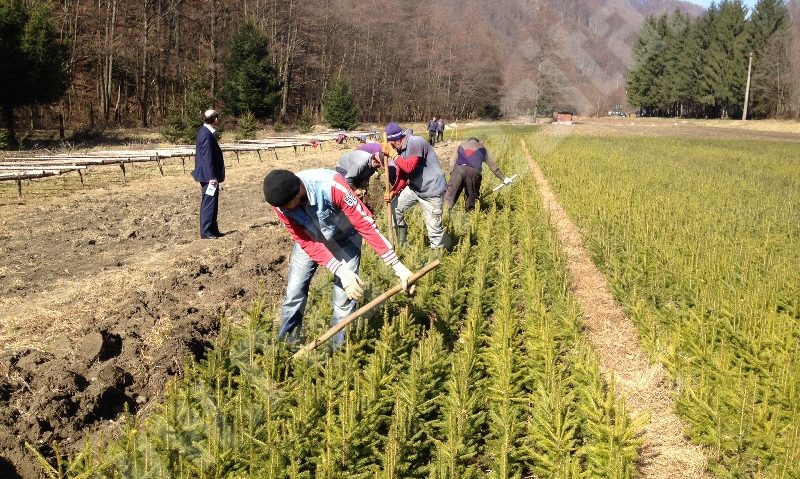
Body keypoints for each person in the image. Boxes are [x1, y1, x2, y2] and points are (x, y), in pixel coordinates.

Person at [263, 168, 415, 348]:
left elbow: (365, 224)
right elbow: (305, 242)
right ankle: (286, 347)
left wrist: (398, 267)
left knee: (344, 299)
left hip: (345, 238)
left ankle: (336, 354)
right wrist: (340, 270)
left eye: (287, 205)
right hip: (309, 240)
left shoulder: (331, 186)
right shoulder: (280, 204)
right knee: (294, 293)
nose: (284, 210)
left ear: (298, 192)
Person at [383, 122, 447, 249]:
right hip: (415, 188)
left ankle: (438, 254)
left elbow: (409, 168)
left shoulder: (415, 142)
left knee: (434, 228)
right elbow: (402, 176)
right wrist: (393, 191)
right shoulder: (399, 150)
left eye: (390, 145)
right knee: (395, 209)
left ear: (394, 141)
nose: (391, 149)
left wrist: (393, 154)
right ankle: (402, 243)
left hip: (432, 191)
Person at [444, 137, 513, 214]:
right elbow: (493, 167)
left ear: (469, 141)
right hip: (474, 172)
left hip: (458, 169)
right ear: (478, 142)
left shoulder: (461, 145)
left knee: (450, 196)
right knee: (471, 197)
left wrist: (452, 174)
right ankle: (471, 215)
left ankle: (444, 215)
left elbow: (452, 161)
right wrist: (504, 178)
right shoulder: (482, 148)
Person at [191, 109, 225, 239]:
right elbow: (207, 157)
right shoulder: (205, 134)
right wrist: (211, 177)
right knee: (209, 203)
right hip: (208, 176)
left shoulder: (206, 132)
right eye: (217, 118)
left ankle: (212, 229)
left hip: (208, 175)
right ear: (215, 120)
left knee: (213, 202)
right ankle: (206, 231)